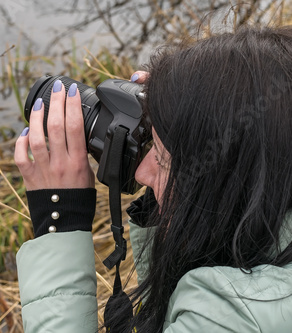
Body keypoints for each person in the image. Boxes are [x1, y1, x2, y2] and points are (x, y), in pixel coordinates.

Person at [14, 25, 292, 332]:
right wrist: (176, 104)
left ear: (225, 180)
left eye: (158, 158)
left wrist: (59, 220)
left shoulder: (232, 319)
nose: (142, 174)